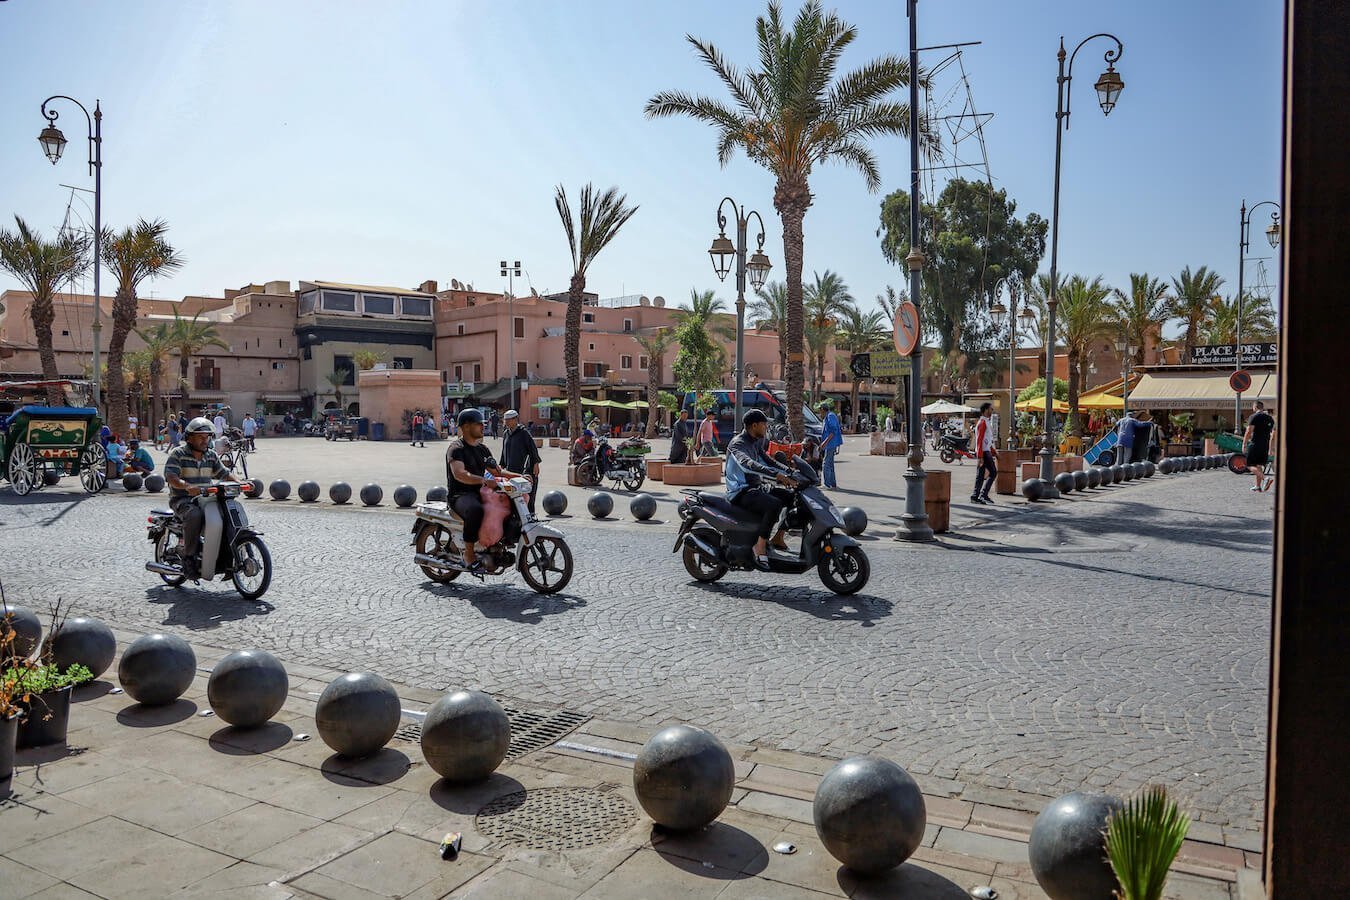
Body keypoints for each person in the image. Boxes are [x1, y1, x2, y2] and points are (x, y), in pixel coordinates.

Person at [446, 409, 520, 573]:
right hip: (461, 495)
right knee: (475, 510)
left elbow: (498, 471)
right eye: (478, 424)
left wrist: (520, 477)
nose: (482, 427)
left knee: (508, 505)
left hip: (481, 493)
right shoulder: (456, 448)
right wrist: (482, 480)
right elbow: (460, 474)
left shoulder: (482, 449)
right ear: (466, 427)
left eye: (482, 424)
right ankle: (469, 555)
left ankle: (496, 544)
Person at [164, 417, 236, 580]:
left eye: (207, 437)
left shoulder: (210, 455)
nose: (205, 441)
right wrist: (187, 486)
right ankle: (189, 559)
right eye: (201, 437)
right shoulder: (178, 453)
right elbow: (171, 476)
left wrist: (242, 482)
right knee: (194, 515)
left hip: (206, 499)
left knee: (227, 514)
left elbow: (224, 472)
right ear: (189, 437)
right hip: (182, 500)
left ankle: (225, 559)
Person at [726, 410, 797, 570]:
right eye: (765, 424)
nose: (767, 428)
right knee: (774, 504)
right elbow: (748, 464)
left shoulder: (756, 441)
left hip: (756, 488)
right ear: (754, 425)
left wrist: (791, 472)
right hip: (741, 491)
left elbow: (768, 461)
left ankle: (778, 537)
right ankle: (759, 546)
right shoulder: (738, 444)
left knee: (792, 497)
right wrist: (777, 475)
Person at [500, 409, 542, 516]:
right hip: (510, 470)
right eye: (505, 420)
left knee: (528, 496)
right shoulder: (506, 433)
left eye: (509, 420)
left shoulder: (524, 433)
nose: (506, 422)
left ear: (515, 420)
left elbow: (533, 450)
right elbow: (504, 450)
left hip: (523, 470)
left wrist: (536, 464)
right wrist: (501, 465)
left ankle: (530, 515)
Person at [1243, 400, 1276, 492]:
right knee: (1258, 465)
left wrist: (1244, 443)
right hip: (1265, 445)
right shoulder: (1270, 418)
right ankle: (1257, 486)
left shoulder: (1254, 417)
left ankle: (1265, 479)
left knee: (1249, 465)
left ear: (1255, 407)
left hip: (1255, 444)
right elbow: (1272, 432)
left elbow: (1249, 431)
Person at [971, 402, 998, 504]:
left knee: (981, 474)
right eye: (991, 409)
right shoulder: (982, 422)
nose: (992, 411)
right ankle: (982, 494)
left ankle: (977, 495)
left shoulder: (985, 422)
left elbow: (987, 440)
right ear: (986, 410)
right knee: (993, 472)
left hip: (985, 451)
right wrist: (980, 456)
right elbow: (979, 440)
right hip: (984, 452)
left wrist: (994, 452)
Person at [820, 404, 843, 489]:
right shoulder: (828, 416)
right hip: (830, 443)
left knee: (826, 463)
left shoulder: (830, 416)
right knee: (830, 463)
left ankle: (827, 484)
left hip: (831, 443)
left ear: (823, 409)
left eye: (820, 410)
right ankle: (832, 484)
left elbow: (833, 431)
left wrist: (824, 443)